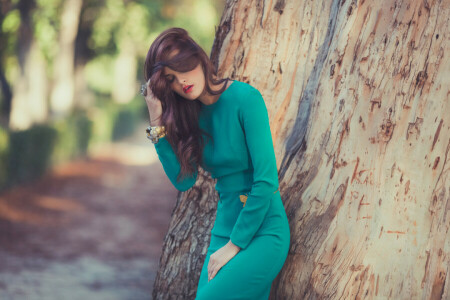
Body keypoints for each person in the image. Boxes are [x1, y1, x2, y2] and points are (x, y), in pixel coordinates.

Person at [142, 27, 290, 300]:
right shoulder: (189, 118)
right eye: (171, 80)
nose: (181, 82)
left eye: (182, 68)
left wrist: (235, 244)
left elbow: (267, 179)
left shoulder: (246, 99)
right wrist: (156, 123)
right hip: (225, 229)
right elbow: (183, 181)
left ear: (197, 57)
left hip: (264, 230)